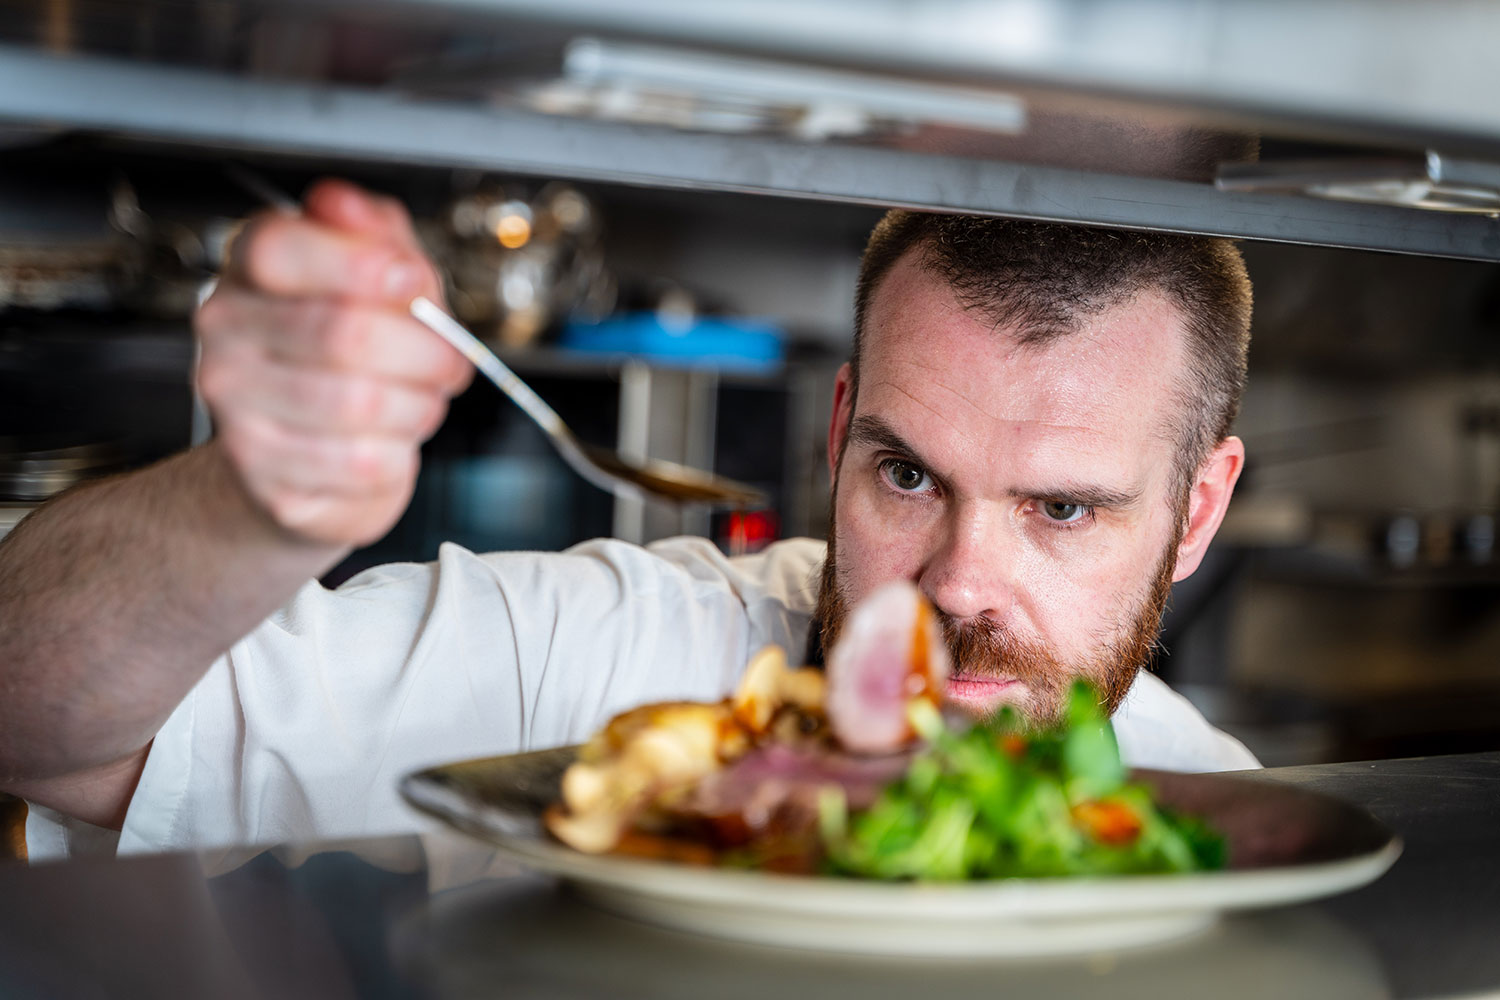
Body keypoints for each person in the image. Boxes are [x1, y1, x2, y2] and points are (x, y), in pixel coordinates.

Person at [0, 180, 1257, 862]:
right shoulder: (599, 655)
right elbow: (38, 727)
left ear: (1196, 512)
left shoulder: (1215, 830)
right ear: (839, 436)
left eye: (1062, 508)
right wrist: (247, 507)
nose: (958, 586)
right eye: (910, 478)